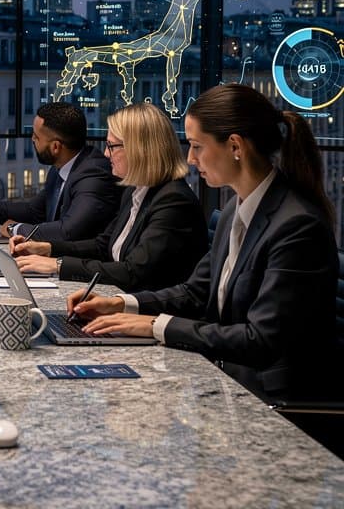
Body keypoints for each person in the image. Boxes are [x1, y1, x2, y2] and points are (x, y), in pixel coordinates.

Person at [70, 84, 339, 402]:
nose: (190, 158)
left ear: (235, 146)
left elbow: (260, 340)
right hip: (229, 380)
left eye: (197, 146)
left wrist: (155, 326)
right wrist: (122, 304)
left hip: (274, 401)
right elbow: (194, 292)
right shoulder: (233, 210)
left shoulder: (297, 225)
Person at [11, 102, 206, 291]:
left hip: (150, 313)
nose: (105, 153)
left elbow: (133, 272)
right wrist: (47, 248)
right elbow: (103, 246)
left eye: (111, 146)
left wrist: (58, 265)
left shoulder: (173, 201)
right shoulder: (136, 189)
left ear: (139, 149)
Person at [0, 102, 121, 242]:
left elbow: (67, 231)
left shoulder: (93, 176)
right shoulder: (62, 168)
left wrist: (14, 229)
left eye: (36, 137)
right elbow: (34, 211)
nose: (32, 140)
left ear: (55, 147)